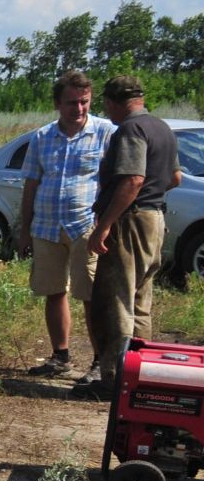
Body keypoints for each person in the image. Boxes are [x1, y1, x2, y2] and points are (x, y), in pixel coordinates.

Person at [83, 74, 181, 391]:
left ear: (113, 103)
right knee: (140, 302)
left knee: (116, 301)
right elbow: (176, 177)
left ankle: (113, 380)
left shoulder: (131, 129)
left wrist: (107, 224)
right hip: (155, 220)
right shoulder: (162, 128)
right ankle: (140, 377)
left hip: (131, 221)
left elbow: (133, 180)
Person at [16, 70, 112, 377]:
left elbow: (116, 181)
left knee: (90, 295)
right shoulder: (42, 137)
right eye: (72, 102)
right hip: (46, 226)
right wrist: (25, 230)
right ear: (58, 103)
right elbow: (31, 185)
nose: (79, 109)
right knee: (53, 290)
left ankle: (99, 363)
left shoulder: (105, 132)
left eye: (84, 102)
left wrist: (106, 223)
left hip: (86, 227)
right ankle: (60, 357)